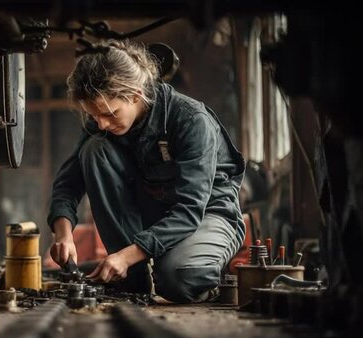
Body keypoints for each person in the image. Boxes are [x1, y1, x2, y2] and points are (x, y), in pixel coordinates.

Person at [47, 40, 246, 303]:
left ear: (136, 95)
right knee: (94, 150)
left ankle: (191, 266)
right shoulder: (102, 121)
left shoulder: (190, 120)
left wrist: (125, 256)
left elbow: (188, 211)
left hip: (206, 214)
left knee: (177, 279)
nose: (102, 124)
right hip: (155, 212)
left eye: (110, 114)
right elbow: (68, 183)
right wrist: (64, 236)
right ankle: (131, 279)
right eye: (94, 116)